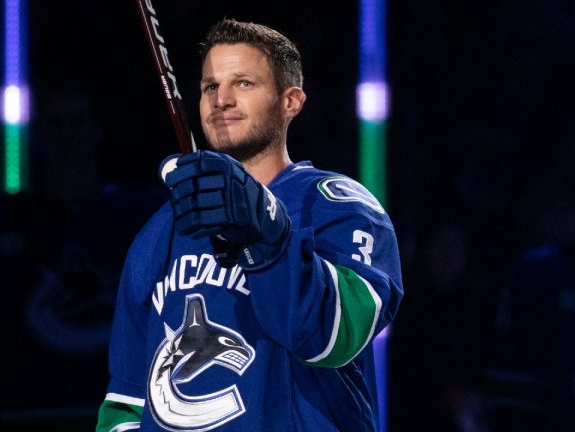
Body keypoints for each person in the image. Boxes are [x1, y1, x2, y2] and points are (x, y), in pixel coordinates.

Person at [96, 19, 403, 431]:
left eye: (242, 83)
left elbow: (336, 335)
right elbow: (126, 401)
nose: (220, 100)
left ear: (290, 101)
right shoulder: (162, 226)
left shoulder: (336, 204)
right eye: (209, 87)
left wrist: (266, 231)